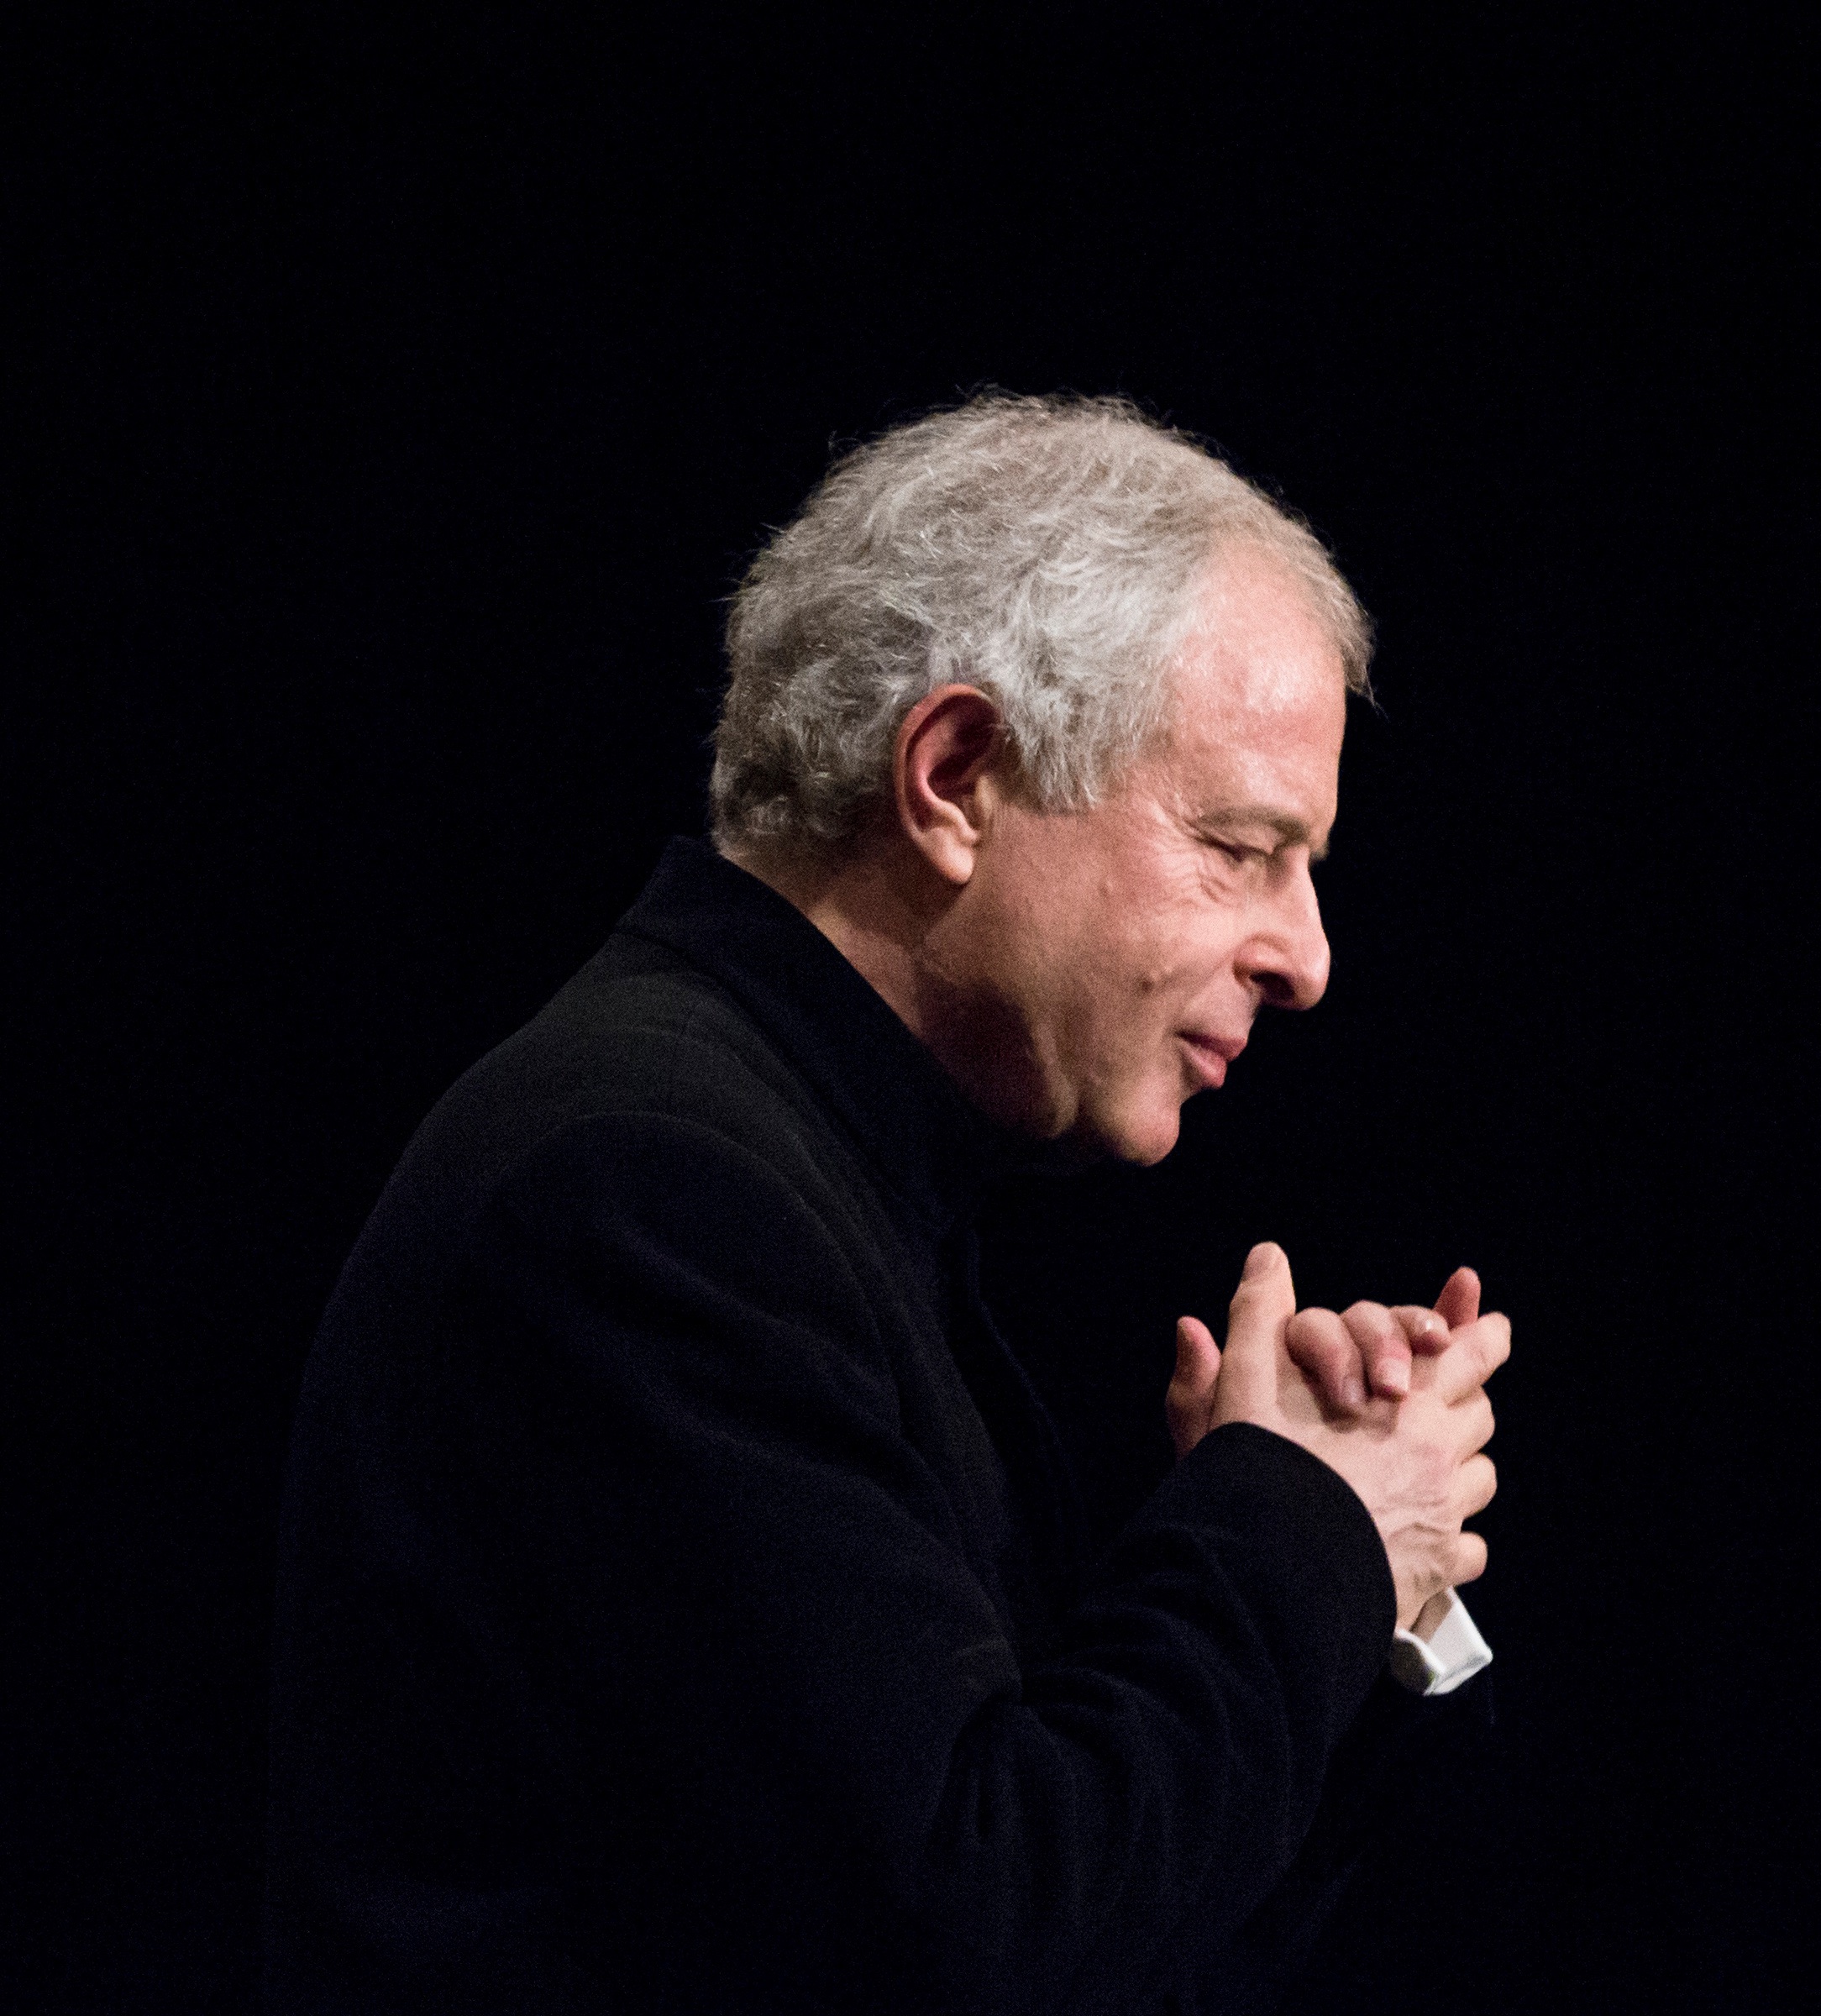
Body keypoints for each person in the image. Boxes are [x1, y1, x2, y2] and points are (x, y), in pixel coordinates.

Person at [264, 392, 1509, 2013]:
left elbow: (1123, 1936)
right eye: (1240, 846)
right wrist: (1304, 1528)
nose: (1308, 955)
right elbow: (968, 1943)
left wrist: (1339, 1565)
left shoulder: (819, 1178)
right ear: (954, 775)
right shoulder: (650, 1193)